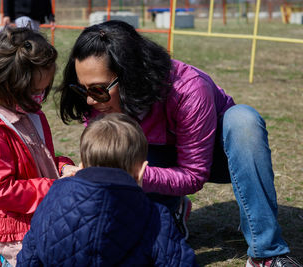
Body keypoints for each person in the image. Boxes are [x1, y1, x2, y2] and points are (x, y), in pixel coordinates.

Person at [55, 20, 302, 267]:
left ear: (130, 76)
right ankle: (168, 209)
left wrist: (130, 174)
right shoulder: (101, 99)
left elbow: (194, 174)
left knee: (244, 121)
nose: (89, 100)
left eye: (97, 90)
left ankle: (267, 253)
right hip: (153, 158)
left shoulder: (189, 88)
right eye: (82, 89)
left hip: (217, 156)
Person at [16, 113, 198, 266]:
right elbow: (179, 262)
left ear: (82, 165)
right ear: (141, 172)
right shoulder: (155, 216)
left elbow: (30, 253)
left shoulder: (54, 194)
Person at [0, 26, 75, 267]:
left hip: (37, 215)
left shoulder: (31, 113)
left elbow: (41, 161)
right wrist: (56, 188)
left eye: (44, 90)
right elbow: (3, 190)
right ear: (5, 84)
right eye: (34, 91)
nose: (40, 97)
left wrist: (63, 168)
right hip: (11, 230)